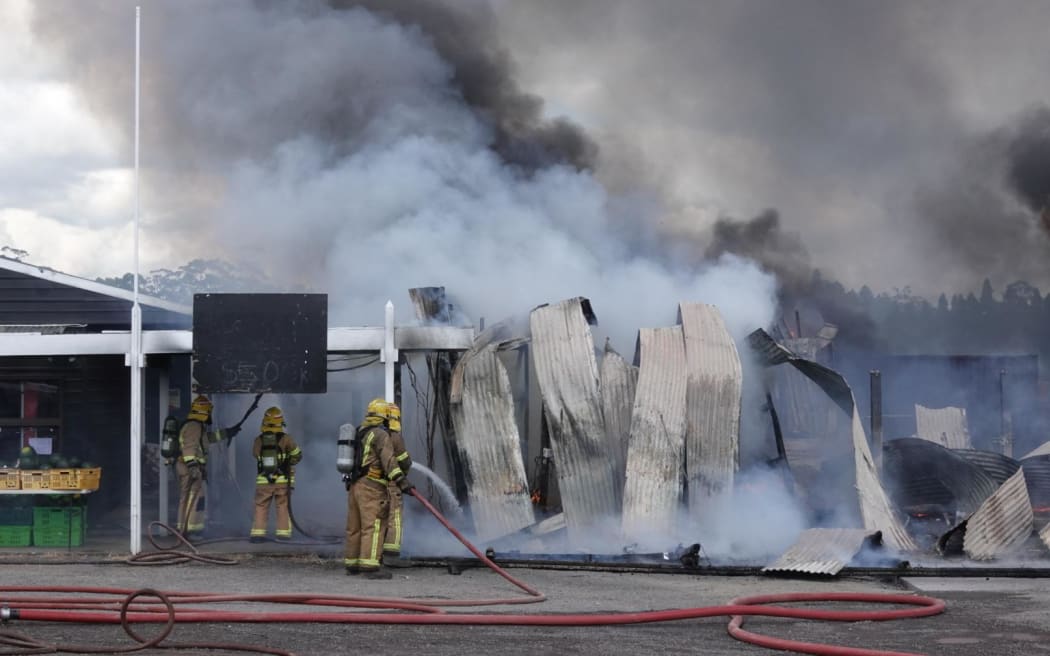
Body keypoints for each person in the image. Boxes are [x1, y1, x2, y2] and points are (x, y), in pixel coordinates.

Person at [344, 398, 413, 579]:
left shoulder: (360, 431)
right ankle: (370, 567)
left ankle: (352, 564)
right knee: (373, 526)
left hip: (355, 485)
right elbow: (389, 461)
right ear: (385, 416)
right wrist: (401, 481)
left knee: (354, 527)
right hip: (372, 487)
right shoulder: (381, 435)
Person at [176, 394, 241, 537]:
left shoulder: (197, 426)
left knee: (189, 497)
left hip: (189, 467)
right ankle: (190, 529)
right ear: (205, 411)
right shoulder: (194, 426)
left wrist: (227, 432)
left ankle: (185, 528)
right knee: (195, 497)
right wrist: (193, 467)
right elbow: (189, 448)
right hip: (190, 468)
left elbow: (208, 439)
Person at [250, 406, 303, 543]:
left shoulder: (258, 440)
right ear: (280, 422)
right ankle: (283, 534)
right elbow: (298, 455)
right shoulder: (286, 439)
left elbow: (255, 454)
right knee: (282, 506)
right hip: (282, 480)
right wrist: (288, 462)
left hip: (264, 481)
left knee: (261, 506)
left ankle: (257, 535)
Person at [382, 402, 414, 568]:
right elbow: (404, 461)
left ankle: (374, 553)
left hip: (374, 486)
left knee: (377, 519)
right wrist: (403, 478)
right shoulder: (394, 437)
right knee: (394, 518)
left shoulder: (370, 434)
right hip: (392, 484)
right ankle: (391, 555)